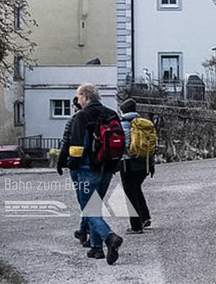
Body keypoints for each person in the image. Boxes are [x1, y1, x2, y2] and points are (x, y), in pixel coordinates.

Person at [67, 83, 124, 264]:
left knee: (89, 208)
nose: (77, 100)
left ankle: (109, 237)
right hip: (107, 168)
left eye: (79, 97)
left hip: (87, 170)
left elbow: (75, 148)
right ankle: (97, 248)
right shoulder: (111, 114)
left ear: (85, 96)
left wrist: (72, 166)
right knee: (96, 207)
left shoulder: (82, 116)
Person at [57, 96, 90, 247]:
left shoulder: (73, 120)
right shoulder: (98, 117)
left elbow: (66, 142)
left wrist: (61, 161)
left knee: (84, 200)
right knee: (91, 200)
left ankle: (92, 231)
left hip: (78, 164)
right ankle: (84, 229)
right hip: (97, 162)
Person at [119, 98, 154, 233]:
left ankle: (136, 226)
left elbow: (122, 144)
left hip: (128, 162)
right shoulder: (144, 123)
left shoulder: (122, 125)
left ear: (123, 111)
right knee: (137, 189)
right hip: (145, 162)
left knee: (130, 194)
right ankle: (145, 217)